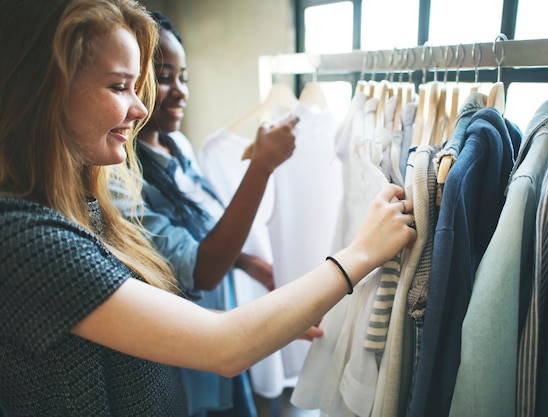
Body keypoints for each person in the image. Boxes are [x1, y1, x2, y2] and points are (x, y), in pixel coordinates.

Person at [0, 1, 416, 416]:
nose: (141, 108)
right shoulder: (27, 240)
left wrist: (273, 317)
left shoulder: (82, 206)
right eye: (118, 86)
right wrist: (361, 253)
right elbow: (224, 344)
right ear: (47, 89)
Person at [127, 10, 293, 417]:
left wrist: (249, 263)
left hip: (223, 320)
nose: (181, 92)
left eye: (184, 78)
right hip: (189, 347)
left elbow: (205, 230)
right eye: (165, 77)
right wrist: (261, 167)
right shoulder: (129, 177)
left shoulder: (178, 145)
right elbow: (200, 270)